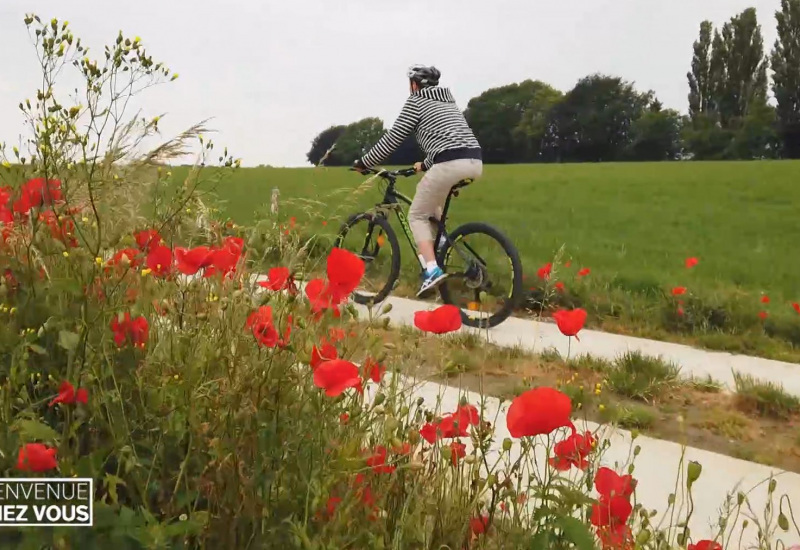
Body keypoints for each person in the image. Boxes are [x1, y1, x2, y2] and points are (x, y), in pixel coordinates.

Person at [353, 65, 483, 297]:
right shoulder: (447, 101)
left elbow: (393, 138)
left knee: (416, 215)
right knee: (430, 195)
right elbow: (448, 138)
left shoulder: (416, 101)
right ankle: (441, 242)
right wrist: (424, 164)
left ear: (414, 84)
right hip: (474, 160)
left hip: (449, 163)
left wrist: (365, 161)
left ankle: (431, 270)